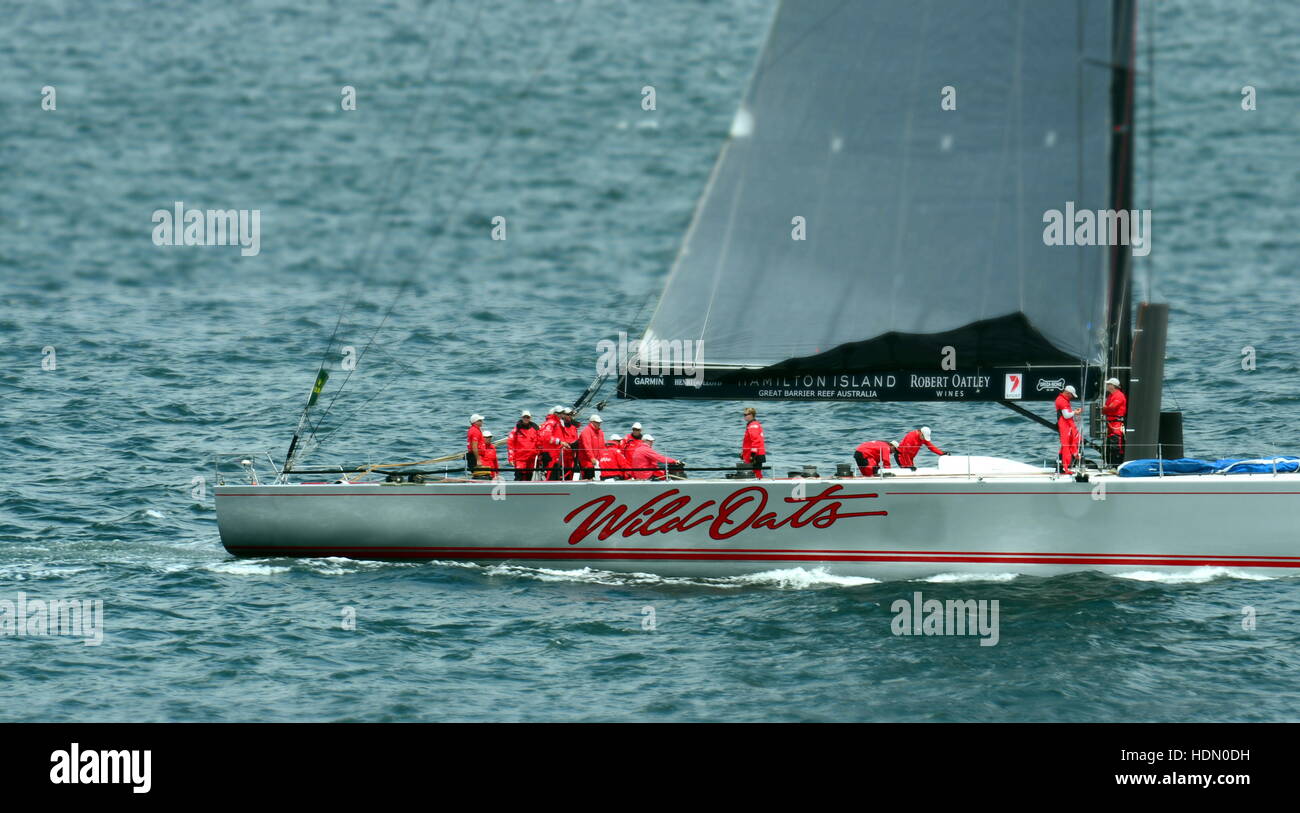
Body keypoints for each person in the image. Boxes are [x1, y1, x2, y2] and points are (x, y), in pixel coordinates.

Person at [1055, 385, 1082, 474]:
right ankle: (1064, 467)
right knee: (1066, 446)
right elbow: (1066, 415)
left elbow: (1066, 414)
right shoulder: (1062, 401)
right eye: (1071, 395)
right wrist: (1075, 412)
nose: (1072, 397)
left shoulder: (1062, 399)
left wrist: (1073, 412)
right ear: (1067, 393)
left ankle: (1063, 466)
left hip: (1066, 426)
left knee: (1067, 445)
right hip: (1065, 426)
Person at [510, 409, 542, 481]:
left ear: (530, 418)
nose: (526, 419)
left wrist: (539, 455)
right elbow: (510, 444)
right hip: (520, 458)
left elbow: (539, 442)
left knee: (530, 477)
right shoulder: (516, 430)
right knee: (519, 476)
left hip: (531, 458)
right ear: (522, 418)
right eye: (524, 417)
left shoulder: (535, 429)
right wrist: (511, 458)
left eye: (527, 417)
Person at [1102, 377, 1127, 464]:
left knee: (1116, 444)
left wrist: (1106, 408)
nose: (1107, 386)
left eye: (1109, 384)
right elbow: (1105, 409)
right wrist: (1106, 409)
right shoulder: (1111, 396)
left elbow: (1111, 407)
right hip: (1111, 423)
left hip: (1117, 423)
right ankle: (1111, 464)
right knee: (1110, 444)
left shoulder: (1119, 395)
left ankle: (1116, 465)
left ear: (1113, 386)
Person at [577, 414, 606, 479]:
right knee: (589, 477)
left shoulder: (600, 432)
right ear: (592, 422)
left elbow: (602, 446)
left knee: (598, 477)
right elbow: (587, 446)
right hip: (587, 460)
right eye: (597, 422)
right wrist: (592, 457)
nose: (599, 424)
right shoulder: (586, 431)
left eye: (599, 422)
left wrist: (603, 457)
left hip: (597, 460)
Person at [740, 407, 766, 479]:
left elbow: (756, 441)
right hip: (754, 453)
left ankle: (759, 486)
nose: (744, 416)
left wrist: (752, 455)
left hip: (755, 454)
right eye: (744, 415)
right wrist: (743, 452)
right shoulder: (753, 424)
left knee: (756, 473)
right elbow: (749, 442)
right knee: (755, 473)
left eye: (746, 414)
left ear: (751, 415)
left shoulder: (753, 426)